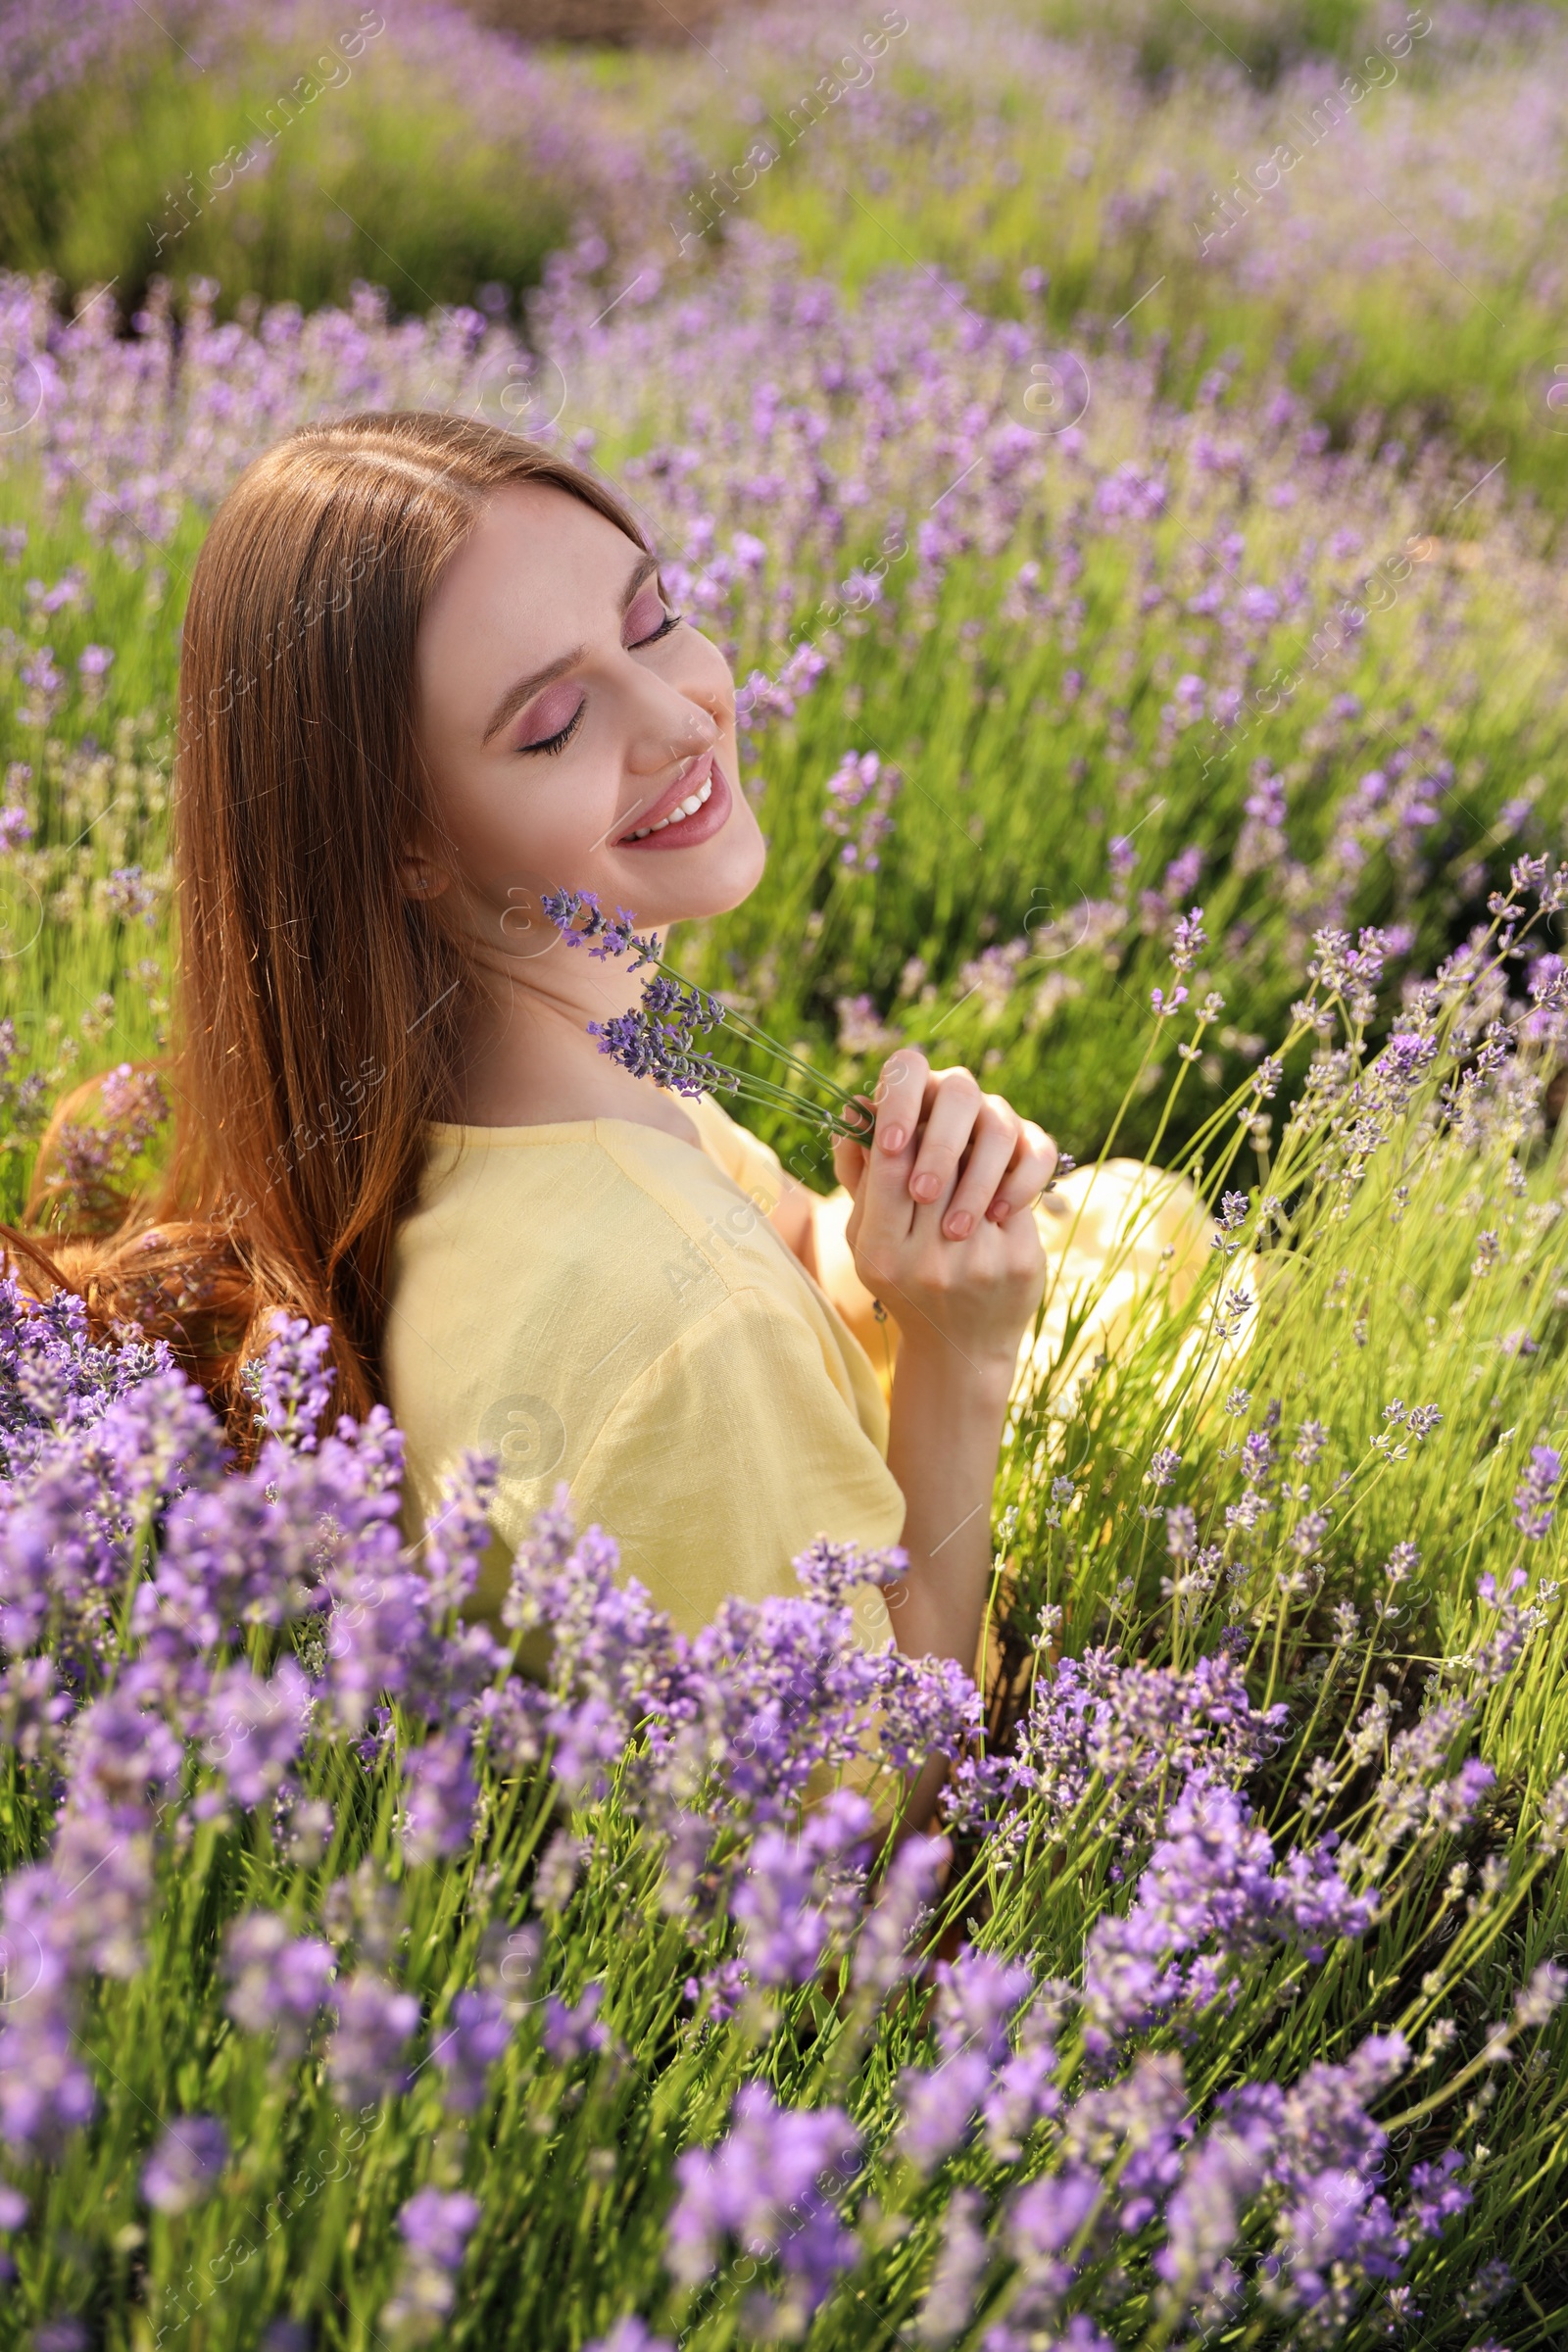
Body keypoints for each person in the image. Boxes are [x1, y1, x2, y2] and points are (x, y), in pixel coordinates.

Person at [6, 410, 1207, 1746]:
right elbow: (886, 1812)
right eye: (557, 724)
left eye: (652, 623)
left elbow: (784, 1235)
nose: (677, 715)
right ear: (408, 838)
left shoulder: (484, 1106)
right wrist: (962, 1364)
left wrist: (903, 1246)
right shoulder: (684, 1332)